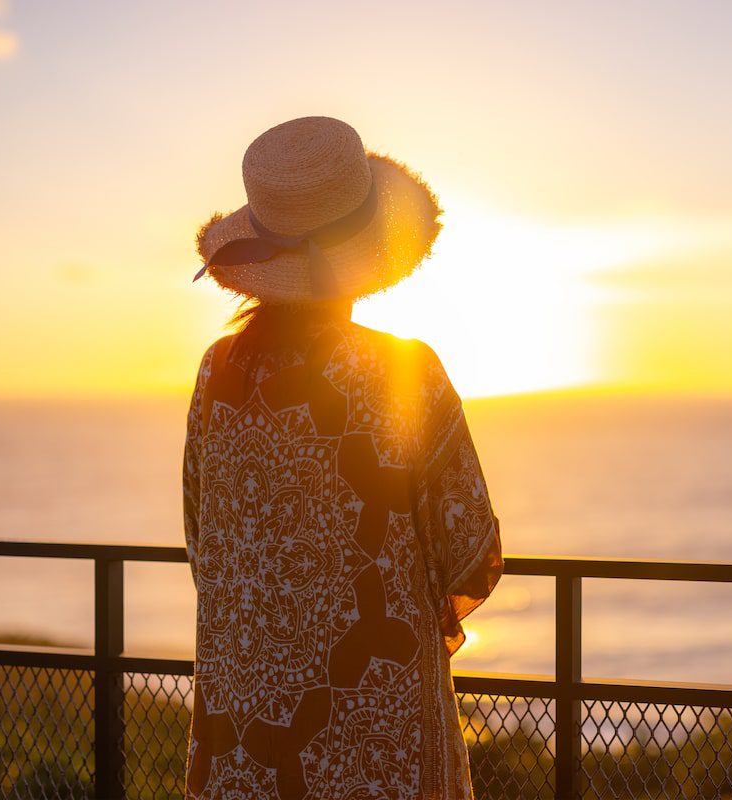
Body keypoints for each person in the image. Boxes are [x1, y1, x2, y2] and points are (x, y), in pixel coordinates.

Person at [182, 116, 503, 799]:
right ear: (369, 246)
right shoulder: (404, 371)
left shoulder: (218, 373)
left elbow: (203, 538)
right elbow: (469, 547)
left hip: (250, 724)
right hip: (378, 728)